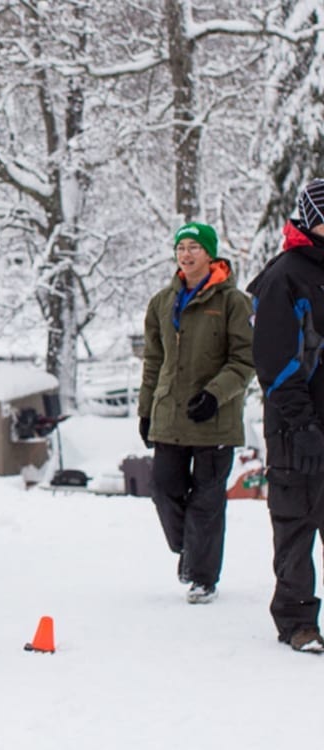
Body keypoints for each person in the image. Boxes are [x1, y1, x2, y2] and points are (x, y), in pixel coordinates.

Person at [137, 222, 254, 606]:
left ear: (210, 253)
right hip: (170, 415)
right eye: (180, 248)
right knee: (163, 489)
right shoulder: (161, 303)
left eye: (194, 248)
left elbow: (245, 359)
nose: (185, 255)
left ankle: (202, 577)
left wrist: (215, 395)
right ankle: (190, 549)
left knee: (207, 499)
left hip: (214, 417)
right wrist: (145, 410)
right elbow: (153, 361)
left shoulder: (233, 303)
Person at [247, 178, 324, 652]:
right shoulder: (285, 275)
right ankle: (297, 620)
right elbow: (274, 361)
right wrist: (302, 424)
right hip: (297, 424)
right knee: (296, 522)